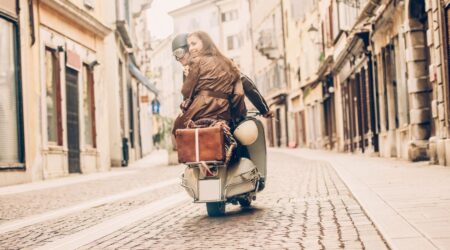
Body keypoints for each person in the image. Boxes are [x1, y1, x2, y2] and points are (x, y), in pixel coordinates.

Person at [171, 33, 273, 134]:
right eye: (175, 56)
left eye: (179, 53)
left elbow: (187, 99)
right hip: (225, 117)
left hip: (199, 119)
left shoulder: (204, 65)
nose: (178, 58)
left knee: (179, 132)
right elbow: (246, 86)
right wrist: (263, 110)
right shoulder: (220, 62)